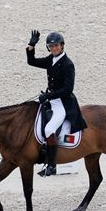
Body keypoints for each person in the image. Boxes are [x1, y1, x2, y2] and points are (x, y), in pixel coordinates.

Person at [26, 29, 88, 177]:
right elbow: (31, 61)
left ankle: (52, 166)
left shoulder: (67, 64)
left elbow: (68, 89)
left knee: (49, 130)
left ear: (62, 46)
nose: (54, 48)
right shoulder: (51, 60)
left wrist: (48, 96)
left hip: (63, 103)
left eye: (56, 46)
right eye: (51, 46)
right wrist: (31, 46)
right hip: (51, 101)